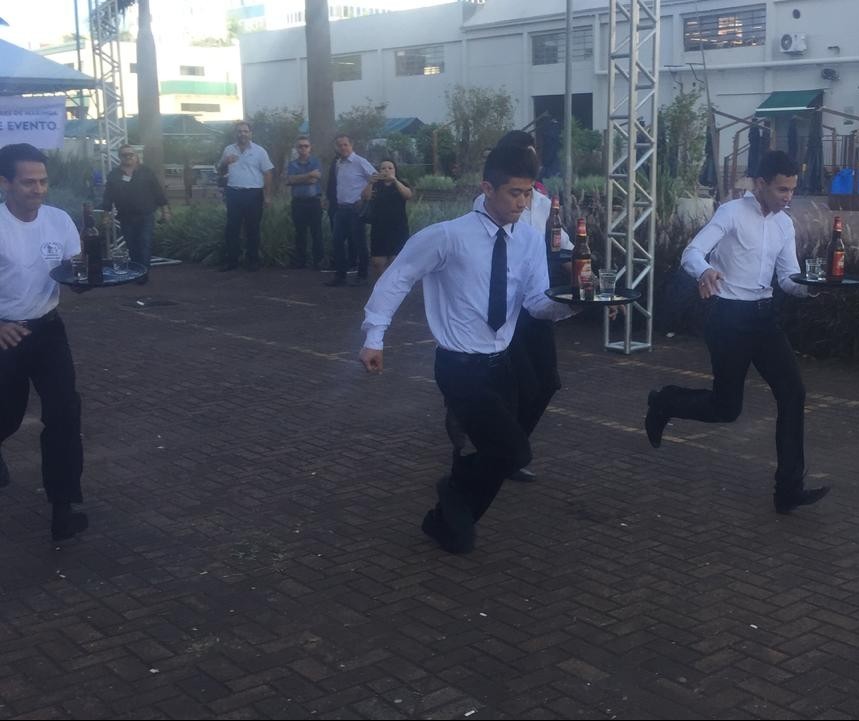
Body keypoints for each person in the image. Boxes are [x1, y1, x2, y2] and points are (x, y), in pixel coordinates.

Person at [359, 146, 573, 554]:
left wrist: (574, 301)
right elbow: (398, 278)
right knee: (513, 451)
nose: (523, 203)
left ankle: (445, 523)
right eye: (514, 193)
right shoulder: (447, 236)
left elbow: (536, 305)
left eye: (528, 194)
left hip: (503, 364)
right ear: (487, 188)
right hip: (459, 367)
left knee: (498, 456)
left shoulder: (528, 240)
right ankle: (453, 491)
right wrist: (374, 336)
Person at [644, 150, 829, 515]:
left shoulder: (783, 224)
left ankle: (788, 489)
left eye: (792, 189)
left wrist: (812, 286)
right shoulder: (731, 213)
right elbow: (691, 252)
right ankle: (665, 401)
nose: (788, 196)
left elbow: (787, 278)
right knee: (726, 409)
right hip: (727, 317)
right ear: (760, 184)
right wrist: (704, 271)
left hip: (763, 318)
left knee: (793, 394)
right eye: (781, 189)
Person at [448, 130, 572, 483]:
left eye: (532, 159)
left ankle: (508, 448)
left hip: (537, 302)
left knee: (547, 383)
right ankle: (495, 448)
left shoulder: (545, 203)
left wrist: (579, 276)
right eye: (522, 157)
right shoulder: (485, 204)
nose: (522, 196)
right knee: (513, 385)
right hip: (499, 309)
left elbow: (561, 242)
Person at [0, 143, 89, 542]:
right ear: (4, 183)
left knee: (65, 413)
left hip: (48, 330)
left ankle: (63, 507)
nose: (38, 189)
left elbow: (75, 271)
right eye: (28, 182)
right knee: (8, 416)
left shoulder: (58, 220)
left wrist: (90, 277)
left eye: (43, 181)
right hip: (6, 332)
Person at [101, 144, 170, 284]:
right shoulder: (114, 175)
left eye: (130, 154)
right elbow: (108, 196)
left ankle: (142, 275)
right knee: (132, 247)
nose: (128, 157)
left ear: (136, 156)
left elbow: (158, 191)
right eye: (124, 155)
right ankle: (137, 272)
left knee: (145, 243)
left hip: (146, 214)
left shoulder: (146, 172)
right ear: (120, 157)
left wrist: (165, 211)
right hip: (126, 216)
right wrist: (106, 215)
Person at [218, 120, 273, 271]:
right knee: (232, 228)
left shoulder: (259, 151)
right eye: (239, 131)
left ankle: (252, 262)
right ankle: (232, 262)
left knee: (253, 229)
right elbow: (221, 171)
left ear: (250, 133)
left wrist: (267, 196)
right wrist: (224, 163)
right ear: (235, 133)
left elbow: (267, 173)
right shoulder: (229, 149)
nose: (242, 134)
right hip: (234, 193)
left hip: (253, 194)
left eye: (245, 131)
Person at [325, 134, 376, 287]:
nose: (343, 147)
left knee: (359, 243)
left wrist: (365, 196)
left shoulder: (360, 162)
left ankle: (362, 276)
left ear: (351, 145)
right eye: (340, 145)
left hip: (355, 209)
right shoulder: (338, 163)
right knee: (337, 242)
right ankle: (340, 276)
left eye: (345, 144)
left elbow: (375, 177)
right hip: (340, 209)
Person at [361, 159, 412, 277]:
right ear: (379, 171)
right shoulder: (375, 184)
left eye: (390, 168)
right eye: (383, 168)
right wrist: (370, 183)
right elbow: (365, 197)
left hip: (398, 227)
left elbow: (408, 195)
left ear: (395, 170)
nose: (387, 170)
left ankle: (393, 286)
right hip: (379, 227)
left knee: (396, 260)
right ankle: (383, 283)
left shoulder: (400, 183)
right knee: (377, 262)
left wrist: (395, 181)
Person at [284, 135, 324, 270]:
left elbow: (316, 178)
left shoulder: (316, 162)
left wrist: (297, 178)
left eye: (306, 146)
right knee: (300, 233)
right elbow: (289, 180)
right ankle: (300, 261)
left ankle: (318, 262)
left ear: (310, 148)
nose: (303, 148)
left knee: (316, 233)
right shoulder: (292, 164)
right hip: (298, 203)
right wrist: (308, 175)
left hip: (314, 202)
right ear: (297, 148)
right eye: (300, 146)